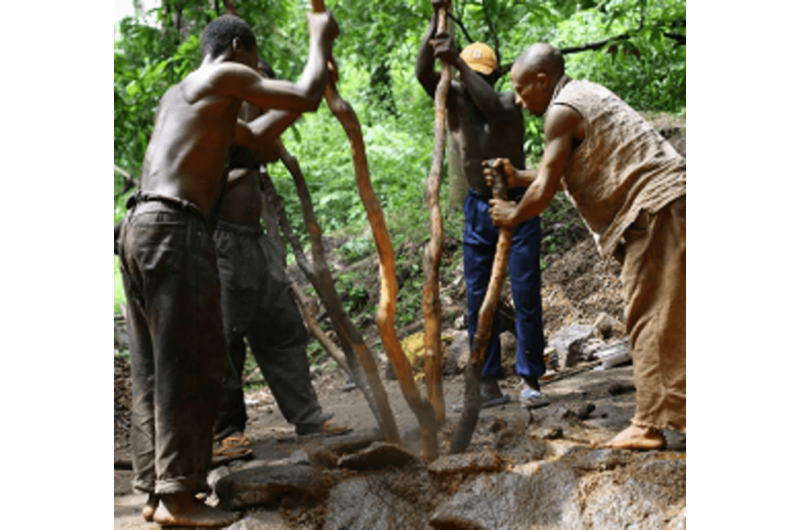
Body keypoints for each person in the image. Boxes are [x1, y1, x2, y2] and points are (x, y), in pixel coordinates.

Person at [116, 12, 338, 527]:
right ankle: (181, 499)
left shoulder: (183, 94)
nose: (256, 74)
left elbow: (258, 136)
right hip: (175, 229)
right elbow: (302, 95)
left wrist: (314, 75)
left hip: (139, 226)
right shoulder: (221, 74)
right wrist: (318, 39)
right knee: (192, 362)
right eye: (254, 63)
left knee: (153, 368)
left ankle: (154, 491)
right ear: (237, 47)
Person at [485, 42, 685, 450]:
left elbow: (543, 190)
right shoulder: (584, 94)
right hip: (672, 200)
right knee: (675, 313)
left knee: (649, 313)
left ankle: (648, 425)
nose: (520, 102)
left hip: (655, 208)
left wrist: (512, 214)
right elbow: (554, 173)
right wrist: (516, 175)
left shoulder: (560, 111)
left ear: (543, 81)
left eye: (523, 91)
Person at [416, 0, 548, 411]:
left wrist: (456, 58)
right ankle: (488, 381)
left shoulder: (508, 102)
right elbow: (424, 72)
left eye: (483, 76)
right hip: (478, 209)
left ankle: (531, 379)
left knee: (525, 291)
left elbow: (489, 103)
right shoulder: (453, 98)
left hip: (519, 205)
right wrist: (435, 25)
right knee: (477, 296)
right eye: (471, 75)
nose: (476, 83)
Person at [213, 58, 350, 456]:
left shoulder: (256, 119)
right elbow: (203, 181)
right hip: (220, 241)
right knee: (224, 338)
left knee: (281, 325)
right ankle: (226, 431)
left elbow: (269, 152)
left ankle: (308, 416)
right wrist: (245, 173)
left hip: (255, 239)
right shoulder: (217, 116)